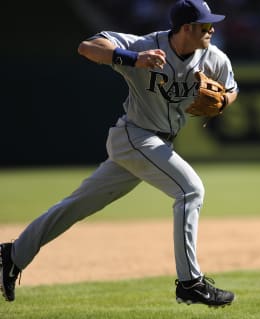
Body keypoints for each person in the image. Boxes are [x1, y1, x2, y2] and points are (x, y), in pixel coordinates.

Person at [0, 0, 238, 308]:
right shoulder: (145, 45)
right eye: (205, 24)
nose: (212, 29)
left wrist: (223, 102)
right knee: (190, 191)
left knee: (76, 206)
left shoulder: (213, 57)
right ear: (186, 28)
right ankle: (190, 283)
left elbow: (231, 88)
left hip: (157, 145)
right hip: (135, 136)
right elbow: (87, 47)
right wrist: (133, 59)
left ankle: (13, 254)